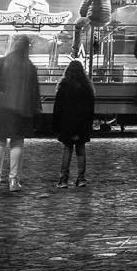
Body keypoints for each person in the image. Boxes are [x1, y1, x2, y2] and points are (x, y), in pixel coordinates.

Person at [0, 34, 42, 192]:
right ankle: (14, 180)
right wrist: (36, 112)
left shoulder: (0, 63)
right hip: (21, 110)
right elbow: (35, 92)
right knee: (17, 143)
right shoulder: (29, 66)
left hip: (0, 109)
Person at [52, 57, 96, 187]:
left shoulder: (63, 87)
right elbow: (90, 110)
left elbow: (58, 108)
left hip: (67, 124)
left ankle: (63, 179)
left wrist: (56, 126)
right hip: (82, 125)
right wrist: (89, 125)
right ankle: (81, 178)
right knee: (81, 150)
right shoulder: (87, 88)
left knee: (67, 149)